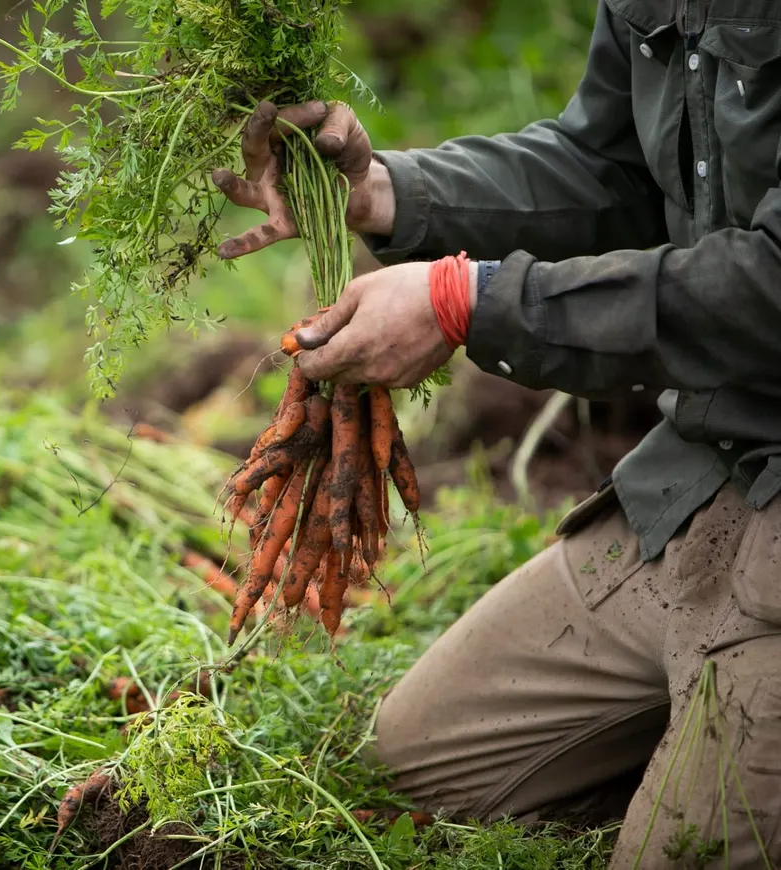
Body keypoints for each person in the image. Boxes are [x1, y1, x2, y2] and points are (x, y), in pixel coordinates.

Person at [211, 2, 781, 868]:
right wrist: (384, 194)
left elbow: (767, 286)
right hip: (704, 476)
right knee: (422, 772)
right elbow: (608, 171)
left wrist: (471, 302)